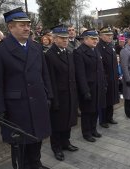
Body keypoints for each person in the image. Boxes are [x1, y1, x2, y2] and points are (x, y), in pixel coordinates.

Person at [0, 7, 52, 169]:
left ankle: (36, 163)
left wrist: (48, 95)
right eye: (22, 25)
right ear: (10, 27)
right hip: (16, 107)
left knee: (37, 138)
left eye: (28, 24)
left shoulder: (35, 46)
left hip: (38, 101)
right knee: (21, 144)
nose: (27, 28)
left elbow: (44, 74)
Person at [45, 25, 79, 161]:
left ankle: (66, 142)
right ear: (54, 39)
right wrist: (54, 100)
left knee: (68, 121)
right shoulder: (49, 55)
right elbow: (50, 80)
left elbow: (72, 76)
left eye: (66, 38)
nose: (66, 40)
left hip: (70, 94)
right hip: (58, 96)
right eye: (62, 38)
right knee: (57, 124)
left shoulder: (68, 53)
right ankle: (56, 147)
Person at [74, 29, 106, 142]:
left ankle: (93, 129)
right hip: (88, 87)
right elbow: (80, 74)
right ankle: (86, 132)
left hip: (98, 85)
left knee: (96, 109)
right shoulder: (79, 52)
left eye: (96, 38)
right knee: (87, 111)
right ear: (85, 39)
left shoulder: (95, 49)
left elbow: (100, 69)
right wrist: (85, 90)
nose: (96, 41)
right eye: (93, 39)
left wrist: (103, 83)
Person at [97, 27, 119, 128]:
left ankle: (109, 117)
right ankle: (103, 120)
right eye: (107, 35)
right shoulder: (99, 47)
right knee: (104, 100)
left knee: (111, 99)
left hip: (113, 77)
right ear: (101, 36)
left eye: (111, 35)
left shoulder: (111, 45)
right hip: (105, 77)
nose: (110, 37)